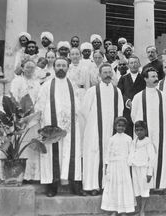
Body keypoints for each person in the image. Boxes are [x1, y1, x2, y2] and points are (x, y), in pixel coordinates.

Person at [35, 57, 82, 197]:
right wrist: (45, 125)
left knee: (70, 153)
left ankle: (74, 184)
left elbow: (79, 105)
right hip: (52, 125)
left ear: (68, 67)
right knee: (52, 154)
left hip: (70, 126)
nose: (61, 68)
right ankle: (52, 185)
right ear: (53, 67)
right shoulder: (47, 85)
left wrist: (71, 120)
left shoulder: (73, 85)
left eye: (63, 65)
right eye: (58, 65)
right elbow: (40, 105)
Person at [0, 59, 41, 181]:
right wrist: (20, 113)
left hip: (32, 118)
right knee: (17, 142)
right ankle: (15, 174)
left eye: (32, 68)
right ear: (22, 68)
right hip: (20, 116)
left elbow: (39, 98)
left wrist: (34, 112)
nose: (30, 70)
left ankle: (31, 175)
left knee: (31, 143)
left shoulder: (37, 83)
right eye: (27, 67)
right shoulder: (17, 81)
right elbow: (14, 97)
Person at [80, 63, 124, 195]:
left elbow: (120, 111)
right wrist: (94, 125)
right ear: (99, 75)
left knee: (110, 156)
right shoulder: (92, 91)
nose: (107, 75)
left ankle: (107, 186)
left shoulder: (117, 91)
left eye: (109, 72)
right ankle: (93, 185)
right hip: (94, 130)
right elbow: (84, 111)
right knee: (94, 156)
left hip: (111, 130)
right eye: (104, 73)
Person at [131, 67, 166, 194]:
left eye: (156, 76)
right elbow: (134, 116)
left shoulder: (163, 96)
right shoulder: (138, 97)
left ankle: (160, 185)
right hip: (145, 134)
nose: (156, 79)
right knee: (145, 157)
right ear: (145, 79)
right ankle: (145, 186)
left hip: (159, 132)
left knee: (160, 156)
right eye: (152, 76)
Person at [101, 117, 135, 216]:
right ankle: (114, 209)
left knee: (123, 187)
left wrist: (129, 163)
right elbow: (108, 153)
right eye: (119, 125)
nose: (121, 127)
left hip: (124, 166)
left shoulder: (128, 139)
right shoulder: (111, 139)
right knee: (114, 187)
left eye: (123, 126)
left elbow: (131, 152)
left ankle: (123, 210)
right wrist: (107, 166)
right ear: (115, 127)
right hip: (114, 166)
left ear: (125, 127)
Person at [128, 121, 155, 216]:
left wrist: (149, 173)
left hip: (144, 169)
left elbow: (152, 159)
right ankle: (139, 209)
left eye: (141, 130)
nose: (139, 132)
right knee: (137, 190)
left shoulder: (148, 142)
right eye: (137, 130)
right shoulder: (133, 141)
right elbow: (131, 154)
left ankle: (143, 210)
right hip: (135, 168)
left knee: (144, 190)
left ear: (145, 131)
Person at [117, 55, 146, 137]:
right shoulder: (123, 78)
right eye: (131, 63)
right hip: (127, 110)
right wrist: (128, 101)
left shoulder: (144, 78)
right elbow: (119, 93)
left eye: (136, 63)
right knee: (128, 132)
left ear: (139, 64)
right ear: (128, 65)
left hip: (140, 108)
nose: (133, 65)